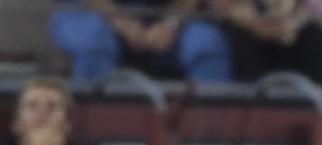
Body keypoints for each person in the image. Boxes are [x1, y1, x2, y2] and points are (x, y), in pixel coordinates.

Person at [51, 0, 233, 83]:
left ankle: (211, 132)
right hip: (89, 13)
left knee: (206, 42)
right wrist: (122, 23)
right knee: (95, 40)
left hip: (161, 19)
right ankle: (96, 130)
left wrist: (170, 24)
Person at [212, 0, 322, 83]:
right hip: (243, 33)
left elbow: (313, 7)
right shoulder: (231, 37)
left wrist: (295, 21)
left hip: (297, 32)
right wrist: (249, 21)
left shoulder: (315, 37)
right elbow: (222, 8)